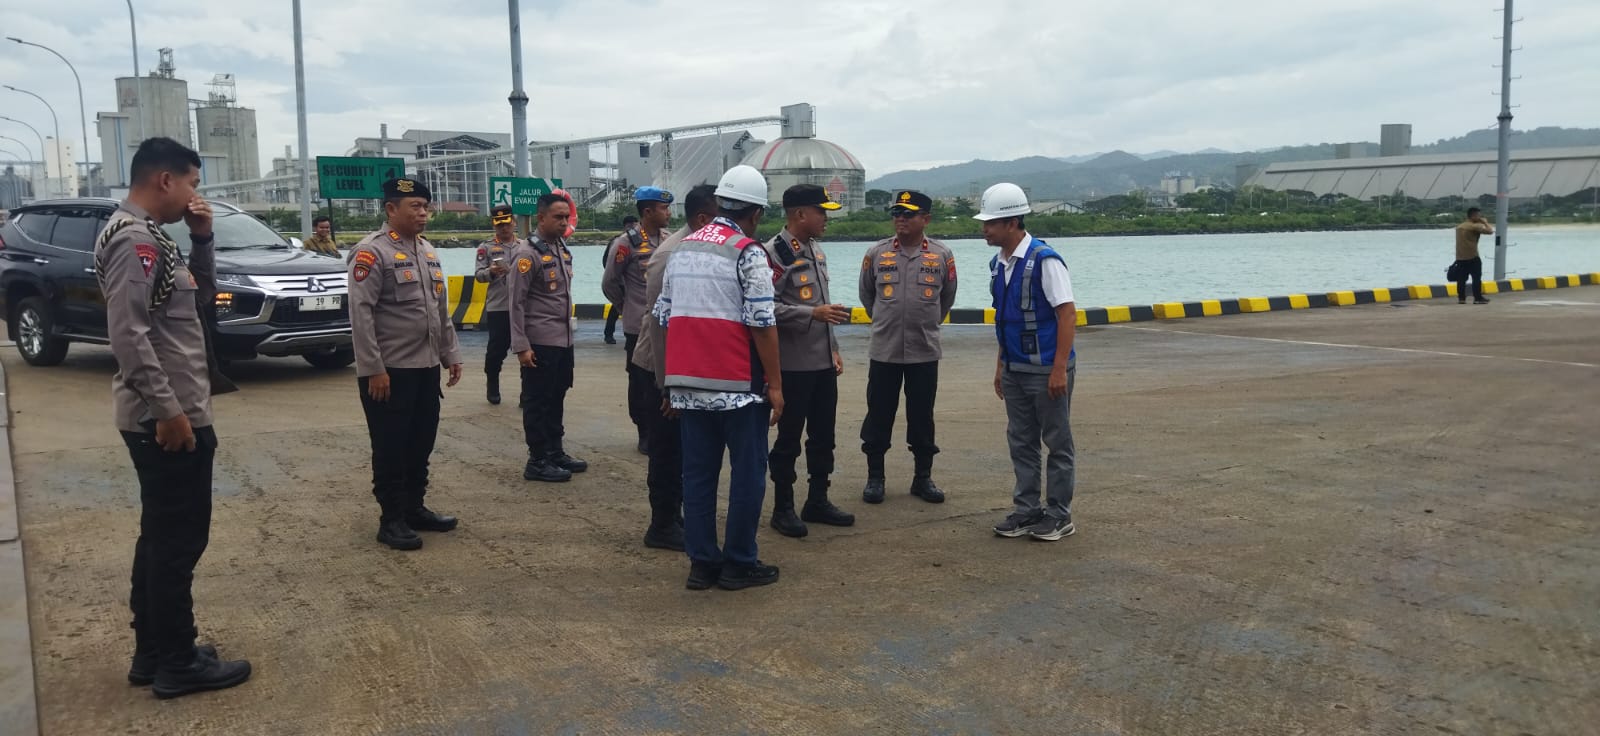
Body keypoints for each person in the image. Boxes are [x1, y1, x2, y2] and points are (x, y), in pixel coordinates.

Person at [95, 136, 251, 698]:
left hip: (174, 408)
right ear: (166, 180)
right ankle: (178, 663)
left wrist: (202, 238)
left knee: (161, 537)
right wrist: (169, 412)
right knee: (178, 543)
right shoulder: (134, 240)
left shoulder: (154, 237)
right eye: (192, 183)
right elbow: (129, 335)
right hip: (167, 417)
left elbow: (199, 299)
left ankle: (155, 651)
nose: (194, 193)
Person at [653, 165, 784, 591]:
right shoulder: (748, 252)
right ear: (756, 212)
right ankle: (739, 562)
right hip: (738, 387)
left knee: (697, 476)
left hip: (690, 384)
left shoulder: (682, 248)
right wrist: (776, 385)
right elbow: (762, 322)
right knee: (747, 475)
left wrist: (671, 381)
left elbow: (663, 315)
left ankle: (702, 563)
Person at [348, 177, 465, 551]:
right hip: (390, 371)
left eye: (425, 206)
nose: (423, 213)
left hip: (425, 367)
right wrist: (373, 369)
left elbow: (439, 310)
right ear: (390, 209)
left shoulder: (427, 251)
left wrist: (450, 354)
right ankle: (391, 519)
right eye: (415, 206)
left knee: (420, 442)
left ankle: (415, 508)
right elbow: (361, 315)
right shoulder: (371, 252)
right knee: (391, 446)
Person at [978, 183, 1079, 542]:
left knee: (1057, 442)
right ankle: (1027, 510)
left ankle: (1059, 515)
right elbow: (1006, 320)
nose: (985, 229)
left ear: (1013, 222)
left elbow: (1067, 315)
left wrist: (1058, 369)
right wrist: (1000, 367)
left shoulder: (1045, 260)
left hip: (1046, 370)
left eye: (991, 223)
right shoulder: (998, 264)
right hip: (1015, 369)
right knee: (1021, 441)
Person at [631, 184, 718, 551]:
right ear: (703, 219)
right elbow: (658, 322)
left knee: (684, 450)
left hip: (684, 367)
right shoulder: (670, 254)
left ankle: (675, 515)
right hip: (660, 367)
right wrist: (669, 384)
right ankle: (662, 524)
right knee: (666, 451)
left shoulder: (703, 248)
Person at [765, 184, 855, 538]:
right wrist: (810, 314)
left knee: (823, 436)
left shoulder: (816, 250)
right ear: (800, 214)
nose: (826, 219)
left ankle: (817, 499)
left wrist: (833, 348)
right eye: (821, 212)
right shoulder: (775, 254)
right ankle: (783, 507)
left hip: (821, 363)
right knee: (788, 439)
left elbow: (824, 305)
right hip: (792, 366)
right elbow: (764, 308)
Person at [858, 190, 958, 505]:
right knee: (878, 415)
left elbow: (947, 298)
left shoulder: (941, 255)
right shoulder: (876, 253)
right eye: (896, 213)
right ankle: (875, 478)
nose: (900, 219)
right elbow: (867, 296)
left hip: (924, 351)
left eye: (908, 214)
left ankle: (922, 478)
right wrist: (886, 320)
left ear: (925, 219)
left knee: (922, 417)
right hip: (884, 351)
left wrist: (924, 322)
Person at [508, 193, 588, 483]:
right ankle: (538, 460)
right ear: (541, 218)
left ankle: (555, 451)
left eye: (566, 217)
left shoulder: (560, 248)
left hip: (562, 339)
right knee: (538, 401)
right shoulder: (527, 254)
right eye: (558, 217)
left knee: (557, 396)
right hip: (539, 341)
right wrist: (521, 346)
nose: (564, 222)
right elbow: (516, 302)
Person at [603, 188, 675, 454]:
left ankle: (664, 427)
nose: (668, 213)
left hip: (667, 323)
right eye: (663, 208)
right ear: (647, 212)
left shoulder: (669, 239)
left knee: (665, 376)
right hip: (638, 325)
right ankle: (643, 430)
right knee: (640, 381)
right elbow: (610, 282)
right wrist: (626, 307)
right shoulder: (626, 243)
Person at [476, 204, 519, 404]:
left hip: (521, 306)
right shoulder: (486, 248)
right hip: (499, 306)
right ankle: (492, 383)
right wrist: (491, 272)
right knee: (496, 350)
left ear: (514, 222)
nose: (504, 228)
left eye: (507, 223)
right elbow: (479, 275)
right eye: (499, 224)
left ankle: (528, 391)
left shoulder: (524, 247)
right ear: (494, 225)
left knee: (528, 349)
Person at [602, 215, 639, 345]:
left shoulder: (636, 240)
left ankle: (615, 333)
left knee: (620, 308)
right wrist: (615, 274)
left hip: (630, 281)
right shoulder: (618, 241)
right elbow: (607, 261)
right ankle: (611, 334)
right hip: (620, 281)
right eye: (632, 225)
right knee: (617, 308)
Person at [1454, 207, 1493, 305]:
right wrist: (1485, 222)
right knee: (1476, 278)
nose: (1480, 217)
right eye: (1479, 215)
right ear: (1473, 216)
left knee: (1461, 279)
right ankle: (1477, 298)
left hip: (1460, 257)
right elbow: (1490, 231)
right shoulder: (1474, 226)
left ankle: (1461, 298)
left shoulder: (1459, 227)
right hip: (1473, 256)